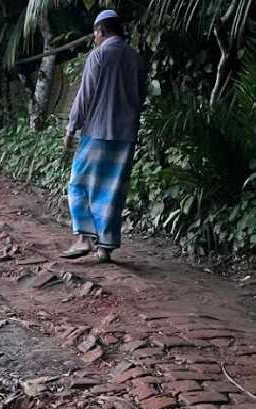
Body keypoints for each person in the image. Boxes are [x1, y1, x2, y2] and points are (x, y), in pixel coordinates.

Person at [60, 9, 147, 263]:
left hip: (97, 132)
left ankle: (84, 239)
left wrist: (70, 128)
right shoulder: (137, 59)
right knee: (112, 191)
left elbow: (84, 96)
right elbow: (140, 98)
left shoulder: (98, 56)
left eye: (95, 34)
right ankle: (105, 248)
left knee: (78, 184)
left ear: (101, 31)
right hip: (125, 136)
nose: (94, 39)